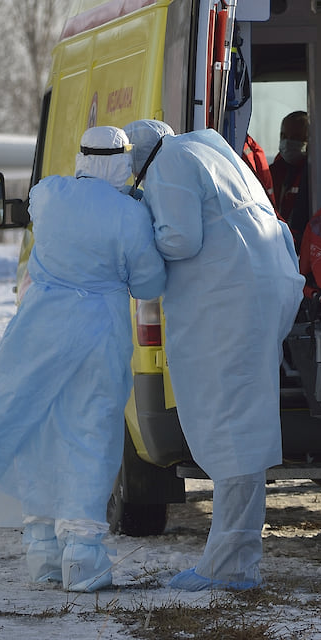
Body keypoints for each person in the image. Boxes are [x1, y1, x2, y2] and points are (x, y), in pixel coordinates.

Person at [0, 125, 167, 592]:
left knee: (42, 432)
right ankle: (82, 557)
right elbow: (149, 284)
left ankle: (42, 553)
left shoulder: (48, 195)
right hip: (98, 334)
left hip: (39, 332)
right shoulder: (129, 215)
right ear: (124, 161)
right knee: (90, 433)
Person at [123, 119, 304, 591]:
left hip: (233, 300)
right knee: (239, 421)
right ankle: (233, 559)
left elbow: (181, 239)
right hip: (263, 285)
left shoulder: (168, 162)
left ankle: (231, 566)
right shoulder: (210, 151)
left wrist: (137, 233)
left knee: (232, 426)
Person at [269, 110, 311, 248]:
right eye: (284, 136)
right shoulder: (272, 172)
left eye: (296, 137)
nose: (288, 142)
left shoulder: (314, 175)